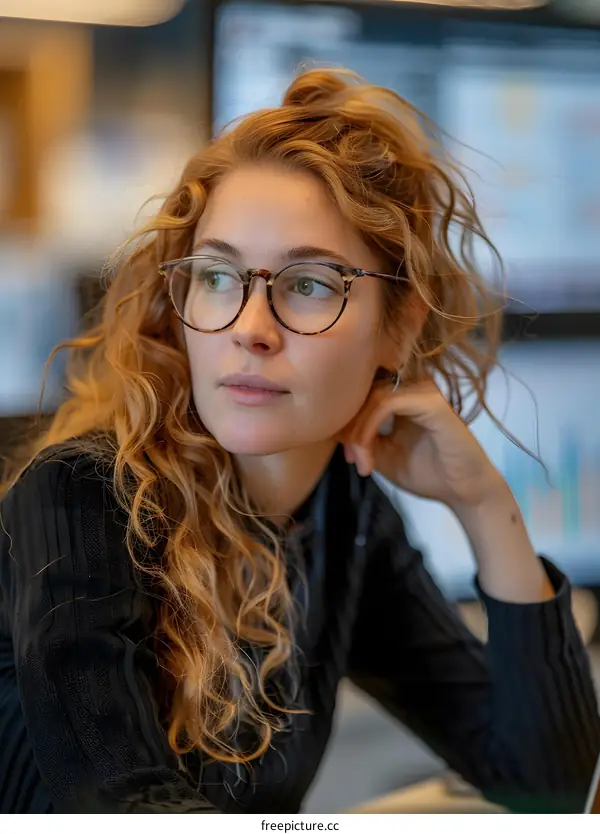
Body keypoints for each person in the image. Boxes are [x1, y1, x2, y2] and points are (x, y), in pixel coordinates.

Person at [0, 68, 598, 815]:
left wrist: (483, 507)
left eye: (310, 285)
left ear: (400, 325)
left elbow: (549, 782)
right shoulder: (81, 498)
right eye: (218, 275)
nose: (250, 328)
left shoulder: (343, 517)